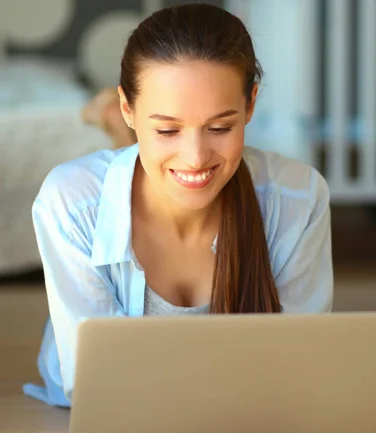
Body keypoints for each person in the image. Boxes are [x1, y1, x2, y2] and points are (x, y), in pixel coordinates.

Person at [24, 3, 333, 407]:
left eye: (220, 127)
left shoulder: (297, 197)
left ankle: (131, 136)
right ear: (129, 107)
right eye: (168, 128)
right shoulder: (70, 201)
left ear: (251, 104)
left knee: (173, 169)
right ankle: (118, 130)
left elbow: (301, 365)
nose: (195, 155)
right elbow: (95, 381)